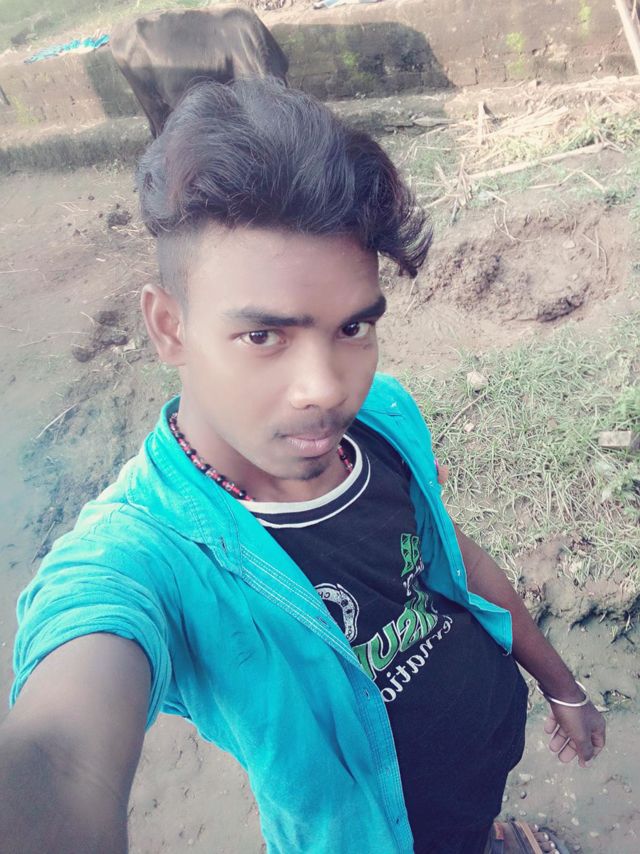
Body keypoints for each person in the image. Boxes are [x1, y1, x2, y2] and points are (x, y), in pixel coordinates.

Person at [0, 79, 605, 854]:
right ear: (169, 326)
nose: (325, 389)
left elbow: (456, 560)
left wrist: (560, 685)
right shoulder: (146, 557)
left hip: (484, 758)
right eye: (264, 336)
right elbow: (61, 756)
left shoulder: (385, 420)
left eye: (352, 327)